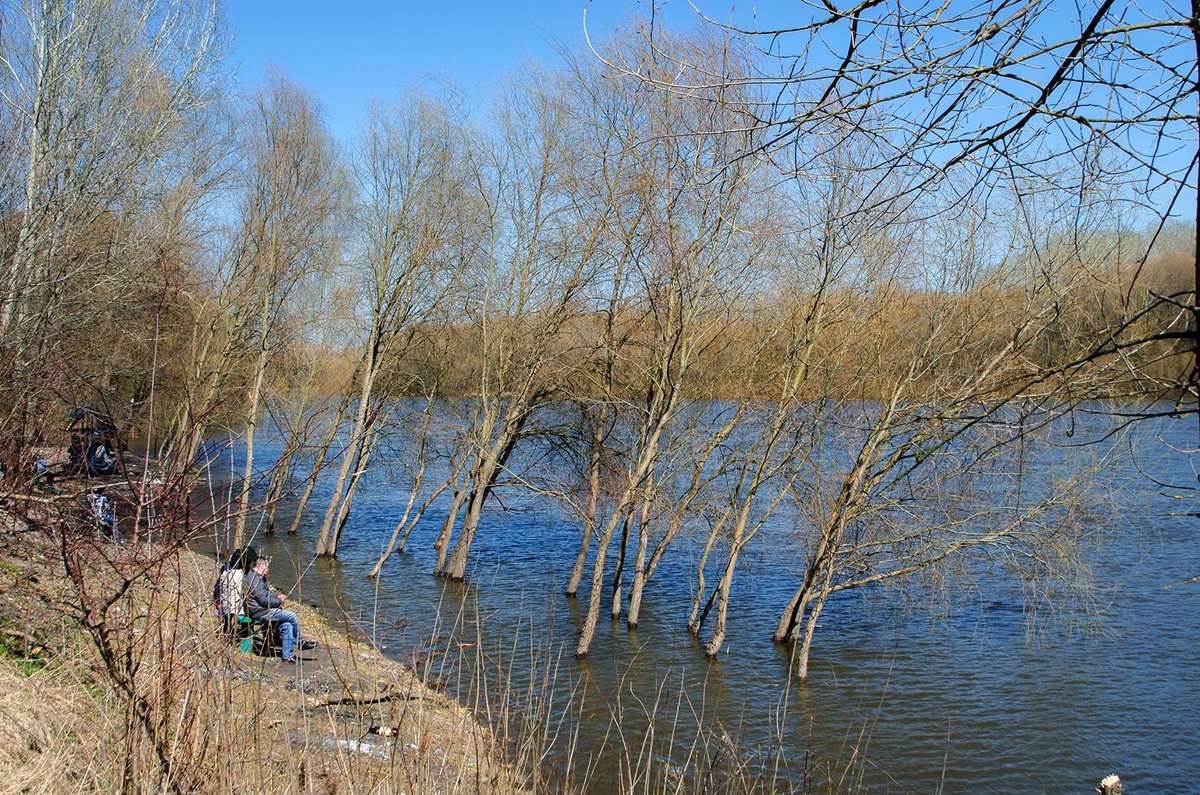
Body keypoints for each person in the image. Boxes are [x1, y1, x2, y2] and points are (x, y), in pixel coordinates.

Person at [244, 556, 316, 662]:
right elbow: (263, 600)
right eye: (267, 567)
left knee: (287, 626)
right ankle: (301, 642)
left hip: (260, 609)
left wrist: (277, 596)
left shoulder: (257, 577)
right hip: (259, 612)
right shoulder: (255, 580)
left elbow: (266, 593)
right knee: (292, 616)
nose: (268, 570)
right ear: (261, 566)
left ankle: (288, 655)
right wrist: (279, 601)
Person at [212, 547, 257, 635]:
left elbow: (218, 586)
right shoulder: (239, 574)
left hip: (224, 600)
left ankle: (227, 629)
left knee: (228, 617)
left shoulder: (226, 568)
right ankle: (238, 632)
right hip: (232, 604)